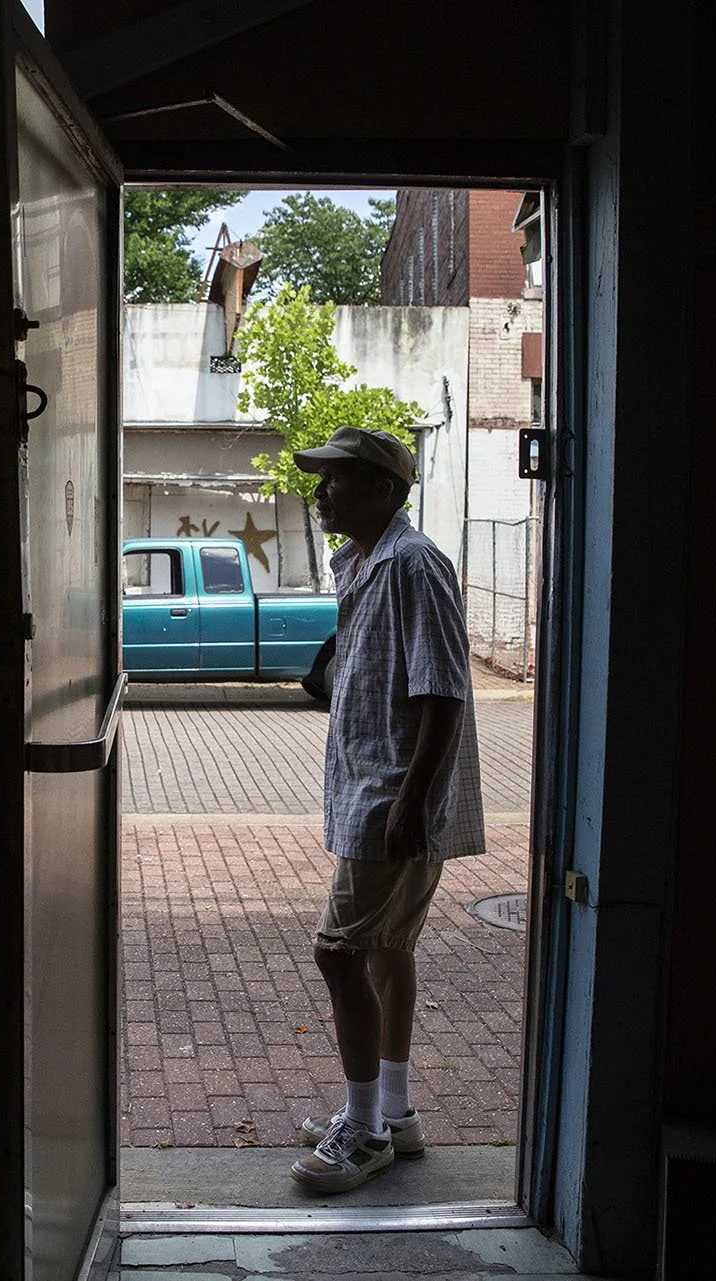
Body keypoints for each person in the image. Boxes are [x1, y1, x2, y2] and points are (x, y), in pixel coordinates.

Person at [286, 426, 487, 1193]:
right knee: (385, 948)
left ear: (381, 487)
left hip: (391, 803)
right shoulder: (366, 563)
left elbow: (444, 691)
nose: (321, 490)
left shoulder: (413, 564)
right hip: (375, 796)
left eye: (335, 478)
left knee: (338, 952)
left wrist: (409, 802)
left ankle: (364, 1132)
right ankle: (391, 1112)